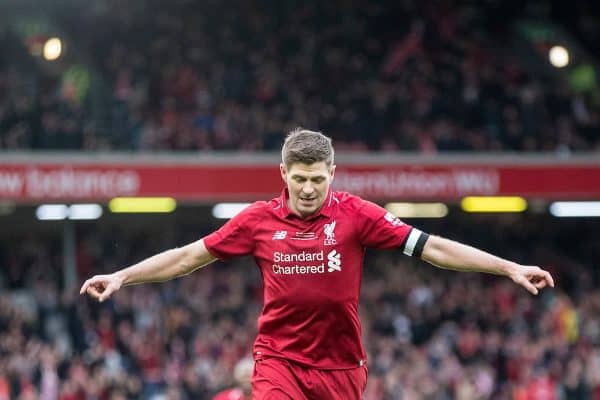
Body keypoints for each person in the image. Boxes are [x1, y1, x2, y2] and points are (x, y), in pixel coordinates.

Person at [80, 128, 554, 399]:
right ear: (283, 174)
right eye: (300, 178)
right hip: (278, 360)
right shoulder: (257, 221)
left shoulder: (357, 215)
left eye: (318, 180)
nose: (308, 189)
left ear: (333, 174)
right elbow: (187, 258)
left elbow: (433, 247)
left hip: (342, 367)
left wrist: (508, 267)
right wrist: (123, 276)